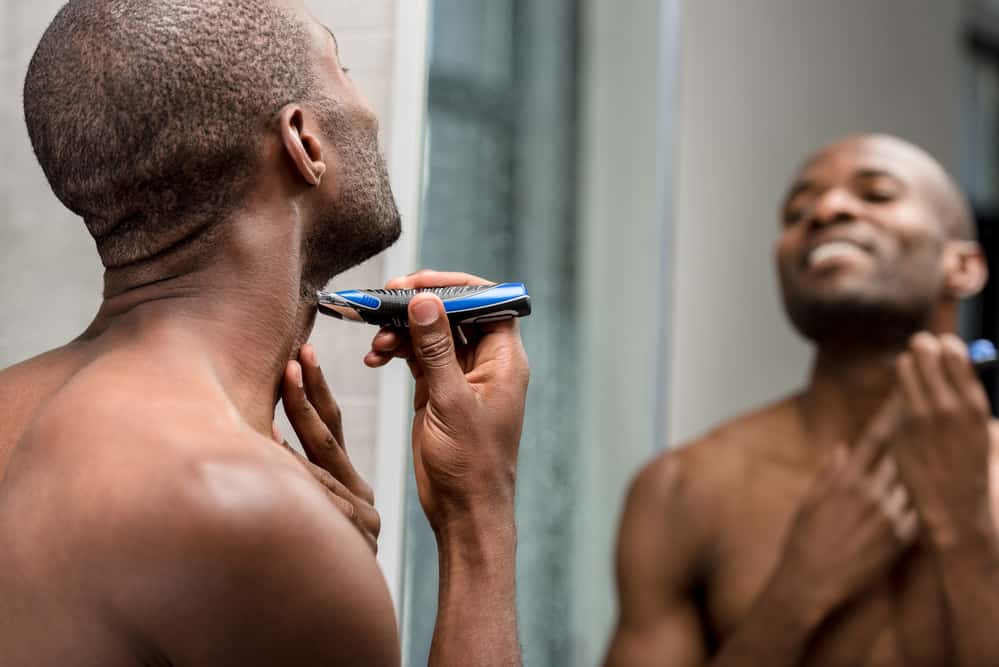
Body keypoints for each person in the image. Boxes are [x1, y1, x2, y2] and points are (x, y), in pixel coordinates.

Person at [0, 1, 528, 665]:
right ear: (303, 141)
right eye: (342, 65)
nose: (365, 108)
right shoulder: (234, 502)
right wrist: (476, 512)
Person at [606, 134, 999, 666]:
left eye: (877, 194)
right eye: (796, 211)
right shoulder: (683, 490)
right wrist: (795, 595)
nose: (826, 210)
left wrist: (964, 531)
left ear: (964, 267)